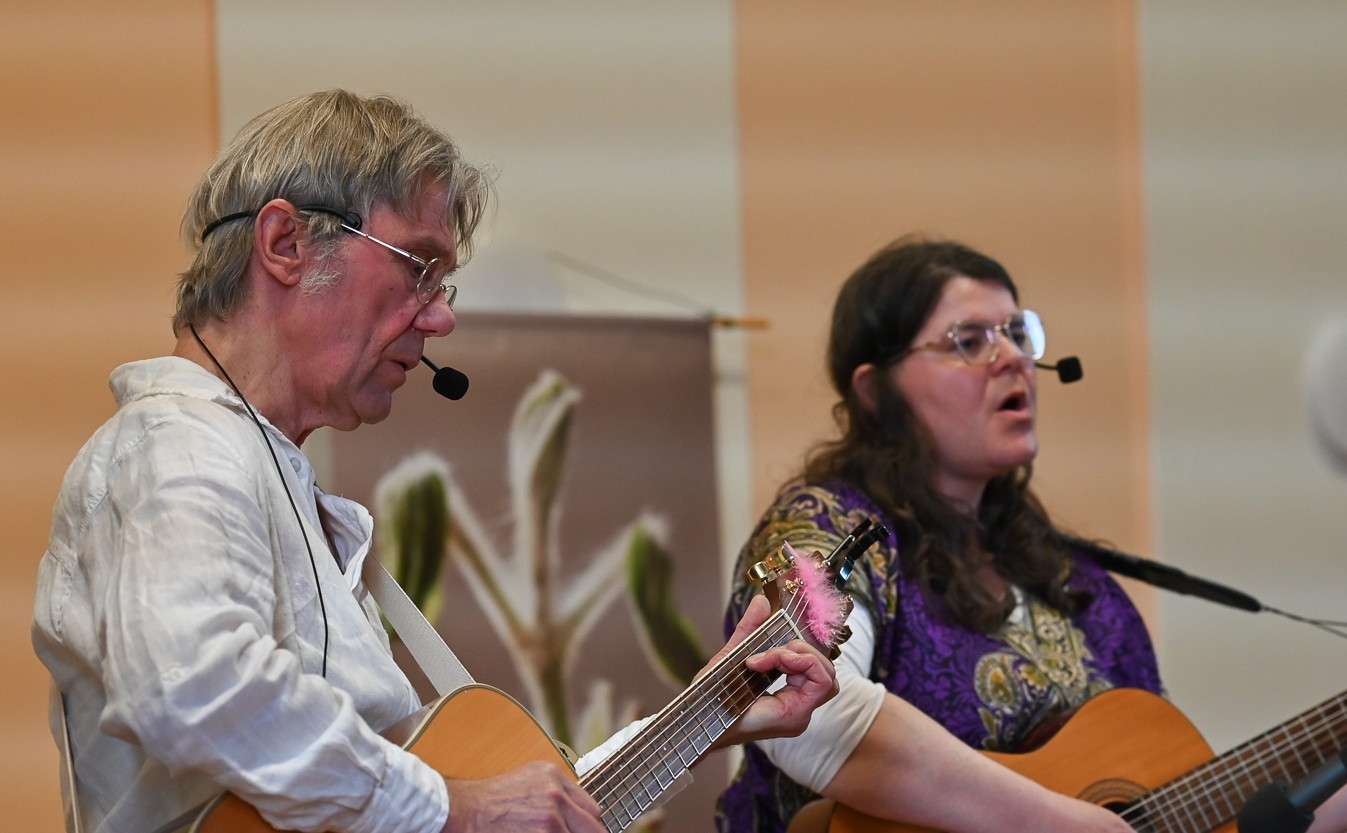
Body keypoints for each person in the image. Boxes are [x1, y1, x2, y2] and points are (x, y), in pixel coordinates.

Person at [31, 89, 835, 833]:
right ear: (285, 243)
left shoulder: (278, 485)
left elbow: (482, 809)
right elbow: (192, 687)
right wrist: (457, 806)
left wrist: (709, 711)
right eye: (419, 267)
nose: (442, 318)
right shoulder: (176, 442)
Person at [716, 237, 1347, 833]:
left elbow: (1184, 813)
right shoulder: (826, 532)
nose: (1013, 358)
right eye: (968, 339)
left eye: (1019, 333)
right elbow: (800, 712)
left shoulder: (1079, 590)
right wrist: (1052, 820)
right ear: (876, 390)